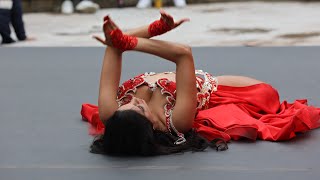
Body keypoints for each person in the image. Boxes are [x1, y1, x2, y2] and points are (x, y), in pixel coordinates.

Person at [81, 10, 320, 156]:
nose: (134, 99)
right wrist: (132, 43)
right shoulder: (176, 121)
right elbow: (183, 53)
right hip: (222, 91)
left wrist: (153, 30)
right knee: (268, 94)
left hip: (186, 81)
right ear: (151, 125)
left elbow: (113, 45)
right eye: (139, 106)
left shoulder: (110, 114)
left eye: (128, 103)